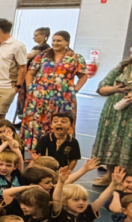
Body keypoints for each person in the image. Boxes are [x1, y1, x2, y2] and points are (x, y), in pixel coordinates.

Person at [21, 31, 87, 152]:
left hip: (63, 99)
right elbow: (30, 72)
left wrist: (75, 90)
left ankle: (56, 154)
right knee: (37, 124)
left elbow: (83, 76)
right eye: (54, 40)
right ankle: (35, 153)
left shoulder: (76, 58)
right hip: (38, 98)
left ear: (67, 42)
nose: (55, 43)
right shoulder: (43, 55)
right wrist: (30, 88)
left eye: (59, 41)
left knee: (58, 124)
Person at [90, 46, 132, 187]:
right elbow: (101, 88)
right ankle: (109, 175)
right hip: (114, 112)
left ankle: (126, 180)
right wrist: (115, 89)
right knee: (112, 142)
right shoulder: (121, 68)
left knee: (128, 144)